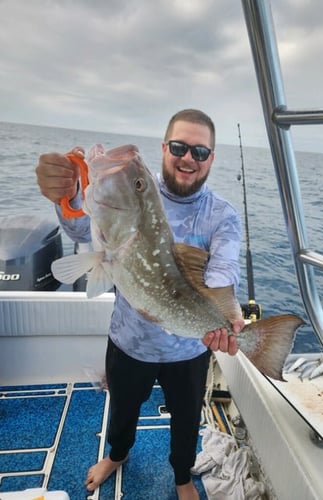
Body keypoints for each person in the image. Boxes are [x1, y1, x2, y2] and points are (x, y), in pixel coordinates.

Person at [36, 109, 244, 499]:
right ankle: (116, 455)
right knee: (123, 409)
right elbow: (82, 225)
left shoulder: (222, 215)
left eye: (200, 151)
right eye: (180, 147)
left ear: (211, 159)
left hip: (189, 347)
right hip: (129, 341)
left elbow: (223, 269)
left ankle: (182, 476)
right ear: (165, 148)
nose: (188, 158)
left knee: (186, 420)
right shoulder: (138, 194)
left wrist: (226, 320)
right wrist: (66, 195)